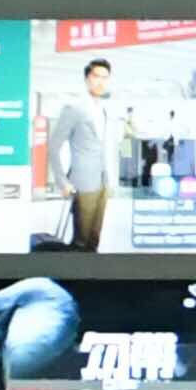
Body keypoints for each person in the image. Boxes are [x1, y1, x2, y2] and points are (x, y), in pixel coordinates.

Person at [33, 57, 112, 252]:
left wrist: (108, 180)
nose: (101, 82)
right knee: (81, 242)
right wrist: (63, 182)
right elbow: (53, 146)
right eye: (96, 76)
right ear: (87, 79)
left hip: (102, 182)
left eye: (105, 77)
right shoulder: (74, 109)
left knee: (94, 241)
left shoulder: (103, 110)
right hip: (82, 182)